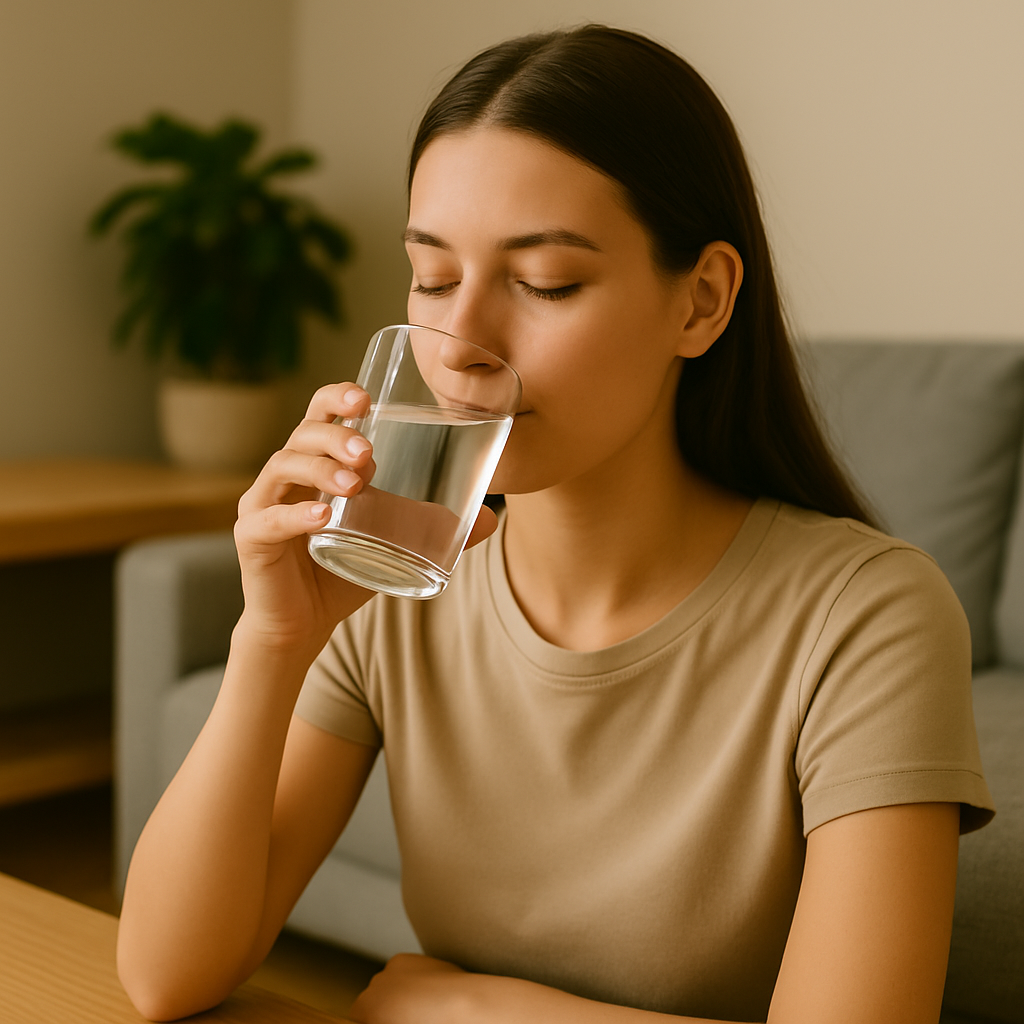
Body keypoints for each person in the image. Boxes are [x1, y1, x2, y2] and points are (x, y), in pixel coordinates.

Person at [116, 24, 995, 1024]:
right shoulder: (396, 583)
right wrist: (272, 640)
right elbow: (164, 976)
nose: (461, 343)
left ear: (700, 302)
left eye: (545, 283)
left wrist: (468, 1012)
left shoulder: (866, 615)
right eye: (433, 279)